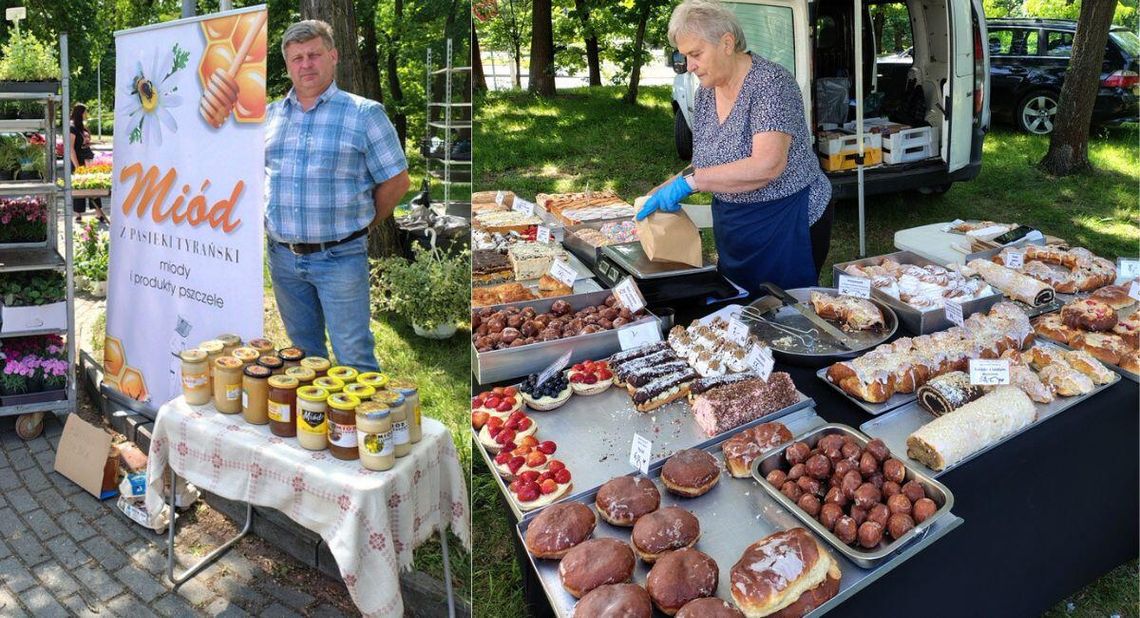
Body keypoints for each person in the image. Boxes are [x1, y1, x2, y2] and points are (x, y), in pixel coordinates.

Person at [637, 0, 834, 293]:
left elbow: (767, 166)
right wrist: (662, 189)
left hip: (785, 220)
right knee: (739, 310)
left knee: (787, 315)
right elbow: (703, 163)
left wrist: (692, 184)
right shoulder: (706, 92)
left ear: (727, 43)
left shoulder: (771, 83)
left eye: (695, 54)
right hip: (735, 225)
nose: (689, 66)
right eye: (684, 56)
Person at [265, 20, 410, 371]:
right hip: (283, 258)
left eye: (314, 54)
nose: (305, 64)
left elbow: (397, 181)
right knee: (303, 355)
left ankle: (363, 427)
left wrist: (364, 224)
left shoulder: (364, 114)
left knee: (354, 357)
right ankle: (318, 424)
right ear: (287, 65)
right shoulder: (268, 116)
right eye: (296, 58)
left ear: (333, 56)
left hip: (339, 257)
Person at [70, 103, 107, 224]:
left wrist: (96, 142)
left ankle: (98, 212)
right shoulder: (72, 128)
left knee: (94, 186)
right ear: (80, 113)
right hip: (79, 161)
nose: (87, 114)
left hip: (89, 160)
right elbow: (71, 149)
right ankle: (78, 214)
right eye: (86, 112)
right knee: (79, 187)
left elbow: (85, 144)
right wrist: (77, 166)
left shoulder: (83, 128)